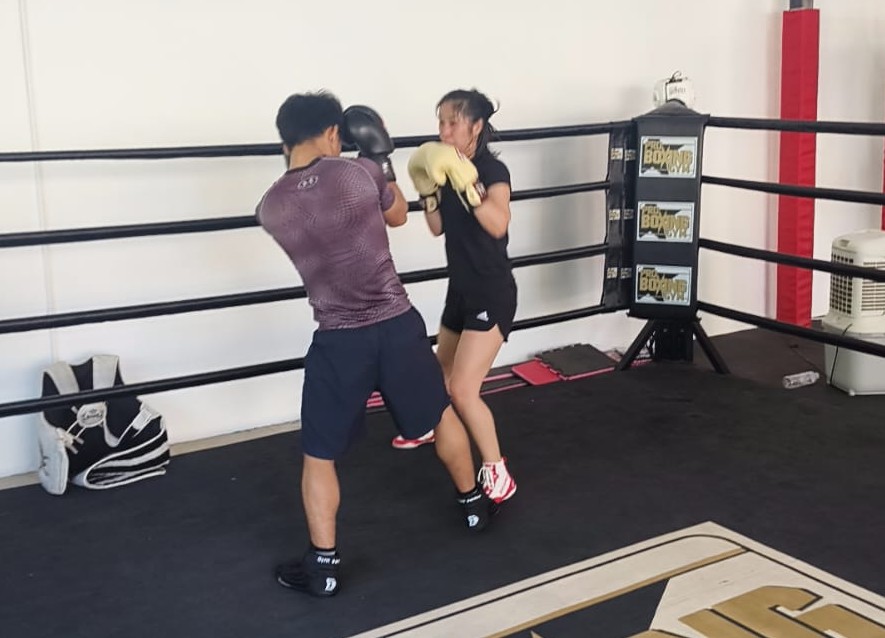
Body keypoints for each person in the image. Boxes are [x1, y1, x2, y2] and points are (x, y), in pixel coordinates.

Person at [255, 91, 496, 598]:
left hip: (339, 339)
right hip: (395, 325)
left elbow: (311, 214)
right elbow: (399, 216)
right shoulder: (357, 176)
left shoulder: (270, 207)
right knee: (440, 417)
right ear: (330, 134)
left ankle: (323, 566)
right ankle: (474, 505)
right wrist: (377, 160)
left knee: (319, 456)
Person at [396, 89, 517, 505]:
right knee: (439, 376)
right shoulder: (445, 167)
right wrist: (429, 189)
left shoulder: (490, 169)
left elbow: (498, 224)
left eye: (452, 122)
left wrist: (468, 185)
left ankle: (497, 470)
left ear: (476, 126)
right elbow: (435, 228)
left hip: (492, 289)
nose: (444, 131)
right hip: (461, 290)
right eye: (441, 122)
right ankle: (432, 425)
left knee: (464, 391)